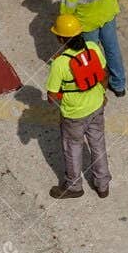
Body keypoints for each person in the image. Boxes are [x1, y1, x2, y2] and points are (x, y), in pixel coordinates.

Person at [46, 14, 111, 199]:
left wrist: (60, 102)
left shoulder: (60, 63)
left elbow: (52, 95)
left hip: (74, 115)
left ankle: (74, 187)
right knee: (98, 143)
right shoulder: (92, 48)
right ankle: (102, 184)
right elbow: (104, 74)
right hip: (97, 105)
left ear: (60, 38)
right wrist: (102, 95)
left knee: (73, 147)